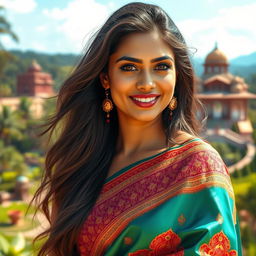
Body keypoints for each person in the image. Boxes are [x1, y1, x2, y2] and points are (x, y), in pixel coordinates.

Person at [29, 2, 242, 255]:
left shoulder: (197, 165)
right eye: (129, 67)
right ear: (105, 77)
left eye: (161, 67)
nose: (147, 83)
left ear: (177, 75)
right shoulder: (81, 162)